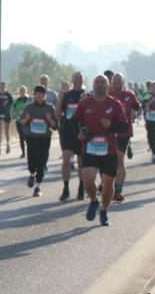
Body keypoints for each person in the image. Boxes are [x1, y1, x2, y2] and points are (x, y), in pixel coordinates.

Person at [72, 74, 129, 227]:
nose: (99, 84)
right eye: (97, 82)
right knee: (88, 179)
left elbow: (124, 126)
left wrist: (110, 125)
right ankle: (93, 201)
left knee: (108, 183)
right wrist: (80, 133)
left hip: (108, 148)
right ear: (93, 84)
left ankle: (104, 210)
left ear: (108, 85)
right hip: (89, 147)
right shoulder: (85, 103)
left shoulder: (115, 104)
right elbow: (74, 122)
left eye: (102, 82)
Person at [19, 85, 58, 197]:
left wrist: (49, 119)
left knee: (41, 163)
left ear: (45, 96)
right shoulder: (28, 107)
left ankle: (37, 187)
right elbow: (21, 122)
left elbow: (55, 126)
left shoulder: (50, 108)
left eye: (41, 95)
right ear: (34, 95)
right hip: (31, 138)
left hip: (44, 139)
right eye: (37, 94)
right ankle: (32, 174)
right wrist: (26, 119)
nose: (39, 97)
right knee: (31, 163)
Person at [108, 73, 140, 202]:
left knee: (119, 160)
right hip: (107, 132)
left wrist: (135, 112)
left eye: (118, 80)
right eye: (114, 80)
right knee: (109, 161)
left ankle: (118, 190)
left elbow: (138, 108)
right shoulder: (107, 93)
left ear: (123, 82)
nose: (116, 82)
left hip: (124, 132)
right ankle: (107, 186)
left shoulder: (129, 95)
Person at [57, 72, 87, 201]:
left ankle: (81, 188)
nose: (78, 80)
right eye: (75, 78)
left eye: (80, 78)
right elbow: (58, 114)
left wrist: (85, 102)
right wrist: (60, 98)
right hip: (67, 131)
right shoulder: (67, 95)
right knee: (66, 161)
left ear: (83, 80)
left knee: (81, 163)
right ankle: (66, 188)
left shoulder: (87, 95)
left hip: (80, 131)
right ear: (72, 80)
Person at [0, 81, 14, 155]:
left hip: (6, 113)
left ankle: (8, 144)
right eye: (0, 86)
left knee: (6, 130)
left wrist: (7, 104)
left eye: (3, 86)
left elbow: (12, 104)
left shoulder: (8, 94)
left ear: (5, 86)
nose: (2, 87)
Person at [12, 86, 30, 158]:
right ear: (19, 92)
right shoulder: (16, 101)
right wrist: (16, 113)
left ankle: (30, 151)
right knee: (21, 136)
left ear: (26, 91)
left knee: (27, 136)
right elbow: (13, 110)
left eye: (23, 90)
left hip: (28, 120)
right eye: (20, 90)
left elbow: (32, 108)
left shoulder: (29, 99)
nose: (22, 92)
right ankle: (23, 152)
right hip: (19, 120)